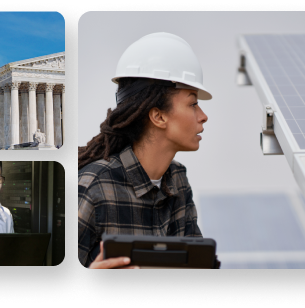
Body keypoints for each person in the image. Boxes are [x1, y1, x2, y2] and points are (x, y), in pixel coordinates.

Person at [78, 32, 212, 269]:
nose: (203, 116)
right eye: (193, 104)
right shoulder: (93, 187)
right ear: (158, 116)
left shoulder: (178, 180)